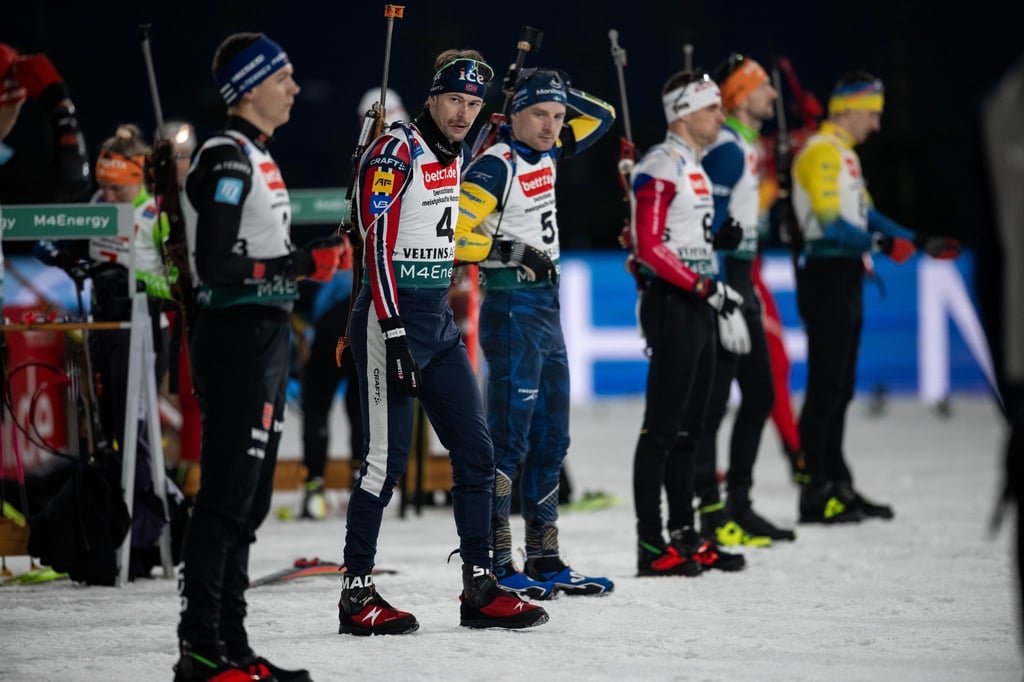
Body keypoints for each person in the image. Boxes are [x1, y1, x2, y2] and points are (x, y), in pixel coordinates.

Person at [337, 49, 548, 635]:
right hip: (389, 319)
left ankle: (480, 585)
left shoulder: (455, 153)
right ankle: (357, 596)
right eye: (455, 99)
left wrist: (511, 252)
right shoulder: (395, 148)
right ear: (432, 96)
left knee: (477, 454)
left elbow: (449, 238)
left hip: (436, 319)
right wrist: (395, 331)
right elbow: (374, 245)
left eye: (474, 104)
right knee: (385, 465)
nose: (464, 112)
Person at [174, 32, 342, 682]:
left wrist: (316, 258)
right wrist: (303, 263)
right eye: (285, 77)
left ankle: (233, 648)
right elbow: (216, 264)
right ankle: (200, 652)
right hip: (236, 338)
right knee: (224, 497)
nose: (295, 88)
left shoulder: (255, 155)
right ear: (249, 87)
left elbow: (257, 257)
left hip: (264, 336)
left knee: (250, 500)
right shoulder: (226, 157)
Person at [454, 67, 615, 598]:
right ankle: (498, 560)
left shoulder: (546, 152)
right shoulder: (494, 166)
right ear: (514, 115)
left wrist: (556, 89)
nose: (552, 125)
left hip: (547, 309)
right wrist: (509, 251)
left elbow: (606, 117)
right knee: (510, 441)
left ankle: (544, 555)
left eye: (558, 116)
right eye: (540, 114)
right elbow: (454, 236)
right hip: (511, 310)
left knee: (552, 437)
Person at [790, 71, 959, 524]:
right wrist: (884, 245)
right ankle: (815, 494)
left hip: (843, 272)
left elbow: (869, 215)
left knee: (840, 387)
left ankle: (837, 483)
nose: (876, 125)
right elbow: (832, 225)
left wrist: (919, 239)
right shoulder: (821, 152)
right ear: (846, 108)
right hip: (826, 272)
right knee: (827, 386)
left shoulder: (842, 154)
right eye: (871, 113)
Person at [627, 70, 746, 577]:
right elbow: (650, 248)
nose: (721, 117)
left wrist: (718, 242)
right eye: (712, 107)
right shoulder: (660, 162)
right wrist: (702, 286)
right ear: (683, 112)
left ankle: (685, 534)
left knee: (691, 430)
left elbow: (678, 237)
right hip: (675, 304)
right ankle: (651, 544)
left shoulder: (693, 165)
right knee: (662, 429)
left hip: (697, 303)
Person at [693, 54, 796, 546]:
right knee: (715, 403)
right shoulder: (728, 149)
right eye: (761, 88)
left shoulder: (744, 145)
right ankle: (712, 512)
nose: (772, 95)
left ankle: (737, 503)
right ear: (738, 96)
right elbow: (701, 222)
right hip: (728, 283)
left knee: (759, 394)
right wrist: (723, 291)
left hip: (742, 280)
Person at [297, 92, 406, 520]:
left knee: (323, 402)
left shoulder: (364, 164)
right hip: (367, 310)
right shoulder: (399, 163)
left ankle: (316, 491)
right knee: (358, 404)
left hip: (341, 311)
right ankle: (367, 486)